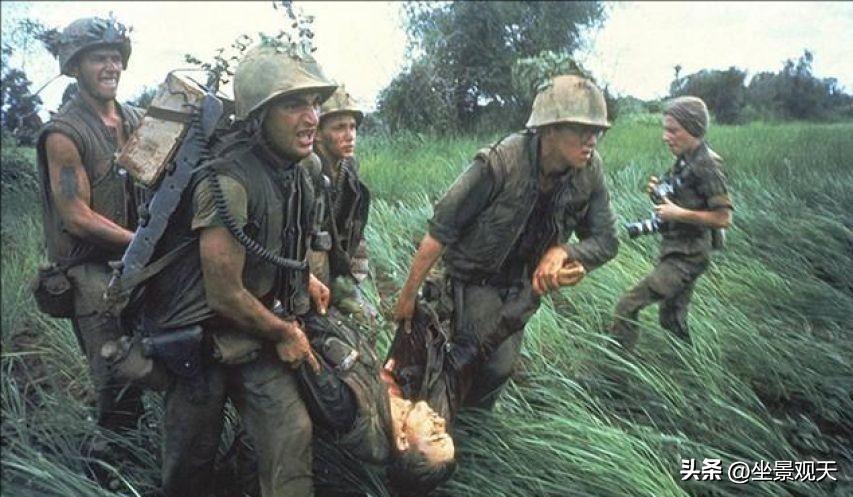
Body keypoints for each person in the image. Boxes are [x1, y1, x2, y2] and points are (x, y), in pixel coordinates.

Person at [138, 44, 337, 497]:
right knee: (190, 467)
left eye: (314, 103)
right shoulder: (226, 181)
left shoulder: (300, 169)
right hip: (201, 342)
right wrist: (285, 333)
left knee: (291, 435)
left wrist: (302, 276)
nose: (311, 118)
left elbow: (275, 243)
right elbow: (224, 293)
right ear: (258, 116)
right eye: (293, 105)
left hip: (256, 332)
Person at [393, 75, 619, 409]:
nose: (591, 140)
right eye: (580, 130)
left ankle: (468, 425)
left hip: (524, 288)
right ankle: (430, 418)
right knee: (466, 361)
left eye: (597, 131)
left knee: (497, 370)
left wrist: (565, 251)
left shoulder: (589, 171)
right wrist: (407, 297)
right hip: (473, 280)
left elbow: (607, 240)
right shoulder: (499, 163)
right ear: (549, 129)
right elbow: (440, 231)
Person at [35, 15, 145, 442]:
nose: (110, 67)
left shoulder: (137, 120)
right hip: (92, 272)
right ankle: (111, 458)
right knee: (117, 381)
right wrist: (139, 242)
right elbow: (76, 215)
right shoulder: (64, 133)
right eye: (98, 58)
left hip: (140, 263)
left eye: (115, 57)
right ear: (75, 66)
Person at [611, 96, 733, 352]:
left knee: (627, 306)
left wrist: (678, 214)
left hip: (687, 256)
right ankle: (690, 366)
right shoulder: (686, 160)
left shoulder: (707, 165)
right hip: (677, 250)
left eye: (673, 130)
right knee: (671, 320)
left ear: (693, 128)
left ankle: (616, 369)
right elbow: (681, 201)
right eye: (665, 130)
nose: (665, 137)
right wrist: (659, 194)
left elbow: (723, 218)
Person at [306, 86, 374, 323]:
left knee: (367, 318)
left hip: (337, 267)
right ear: (318, 134)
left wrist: (354, 282)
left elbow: (356, 232)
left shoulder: (349, 172)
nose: (350, 135)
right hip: (305, 274)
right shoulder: (304, 171)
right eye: (339, 128)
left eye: (352, 127)